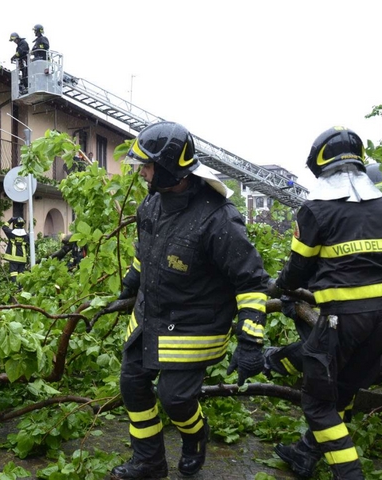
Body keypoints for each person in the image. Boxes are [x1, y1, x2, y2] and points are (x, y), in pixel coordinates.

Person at [110, 121, 271, 479]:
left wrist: (250, 341)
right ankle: (149, 462)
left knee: (175, 398)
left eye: (148, 166)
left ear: (168, 167)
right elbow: (145, 250)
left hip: (193, 328)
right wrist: (132, 280)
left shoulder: (219, 219)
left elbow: (252, 281)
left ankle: (196, 435)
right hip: (149, 317)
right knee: (132, 384)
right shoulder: (152, 204)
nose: (143, 174)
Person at [271, 126, 382, 480]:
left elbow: (297, 271)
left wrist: (280, 288)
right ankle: (304, 454)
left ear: (320, 167)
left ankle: (349, 474)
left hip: (343, 319)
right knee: (343, 391)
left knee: (316, 404)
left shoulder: (316, 211)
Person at [2, 216, 29, 282]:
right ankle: (21, 288)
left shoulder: (11, 233)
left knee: (13, 273)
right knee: (21, 274)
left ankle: (15, 287)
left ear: (15, 224)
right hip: (23, 258)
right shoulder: (26, 235)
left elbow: (4, 227)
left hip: (13, 258)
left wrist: (11, 220)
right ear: (23, 225)